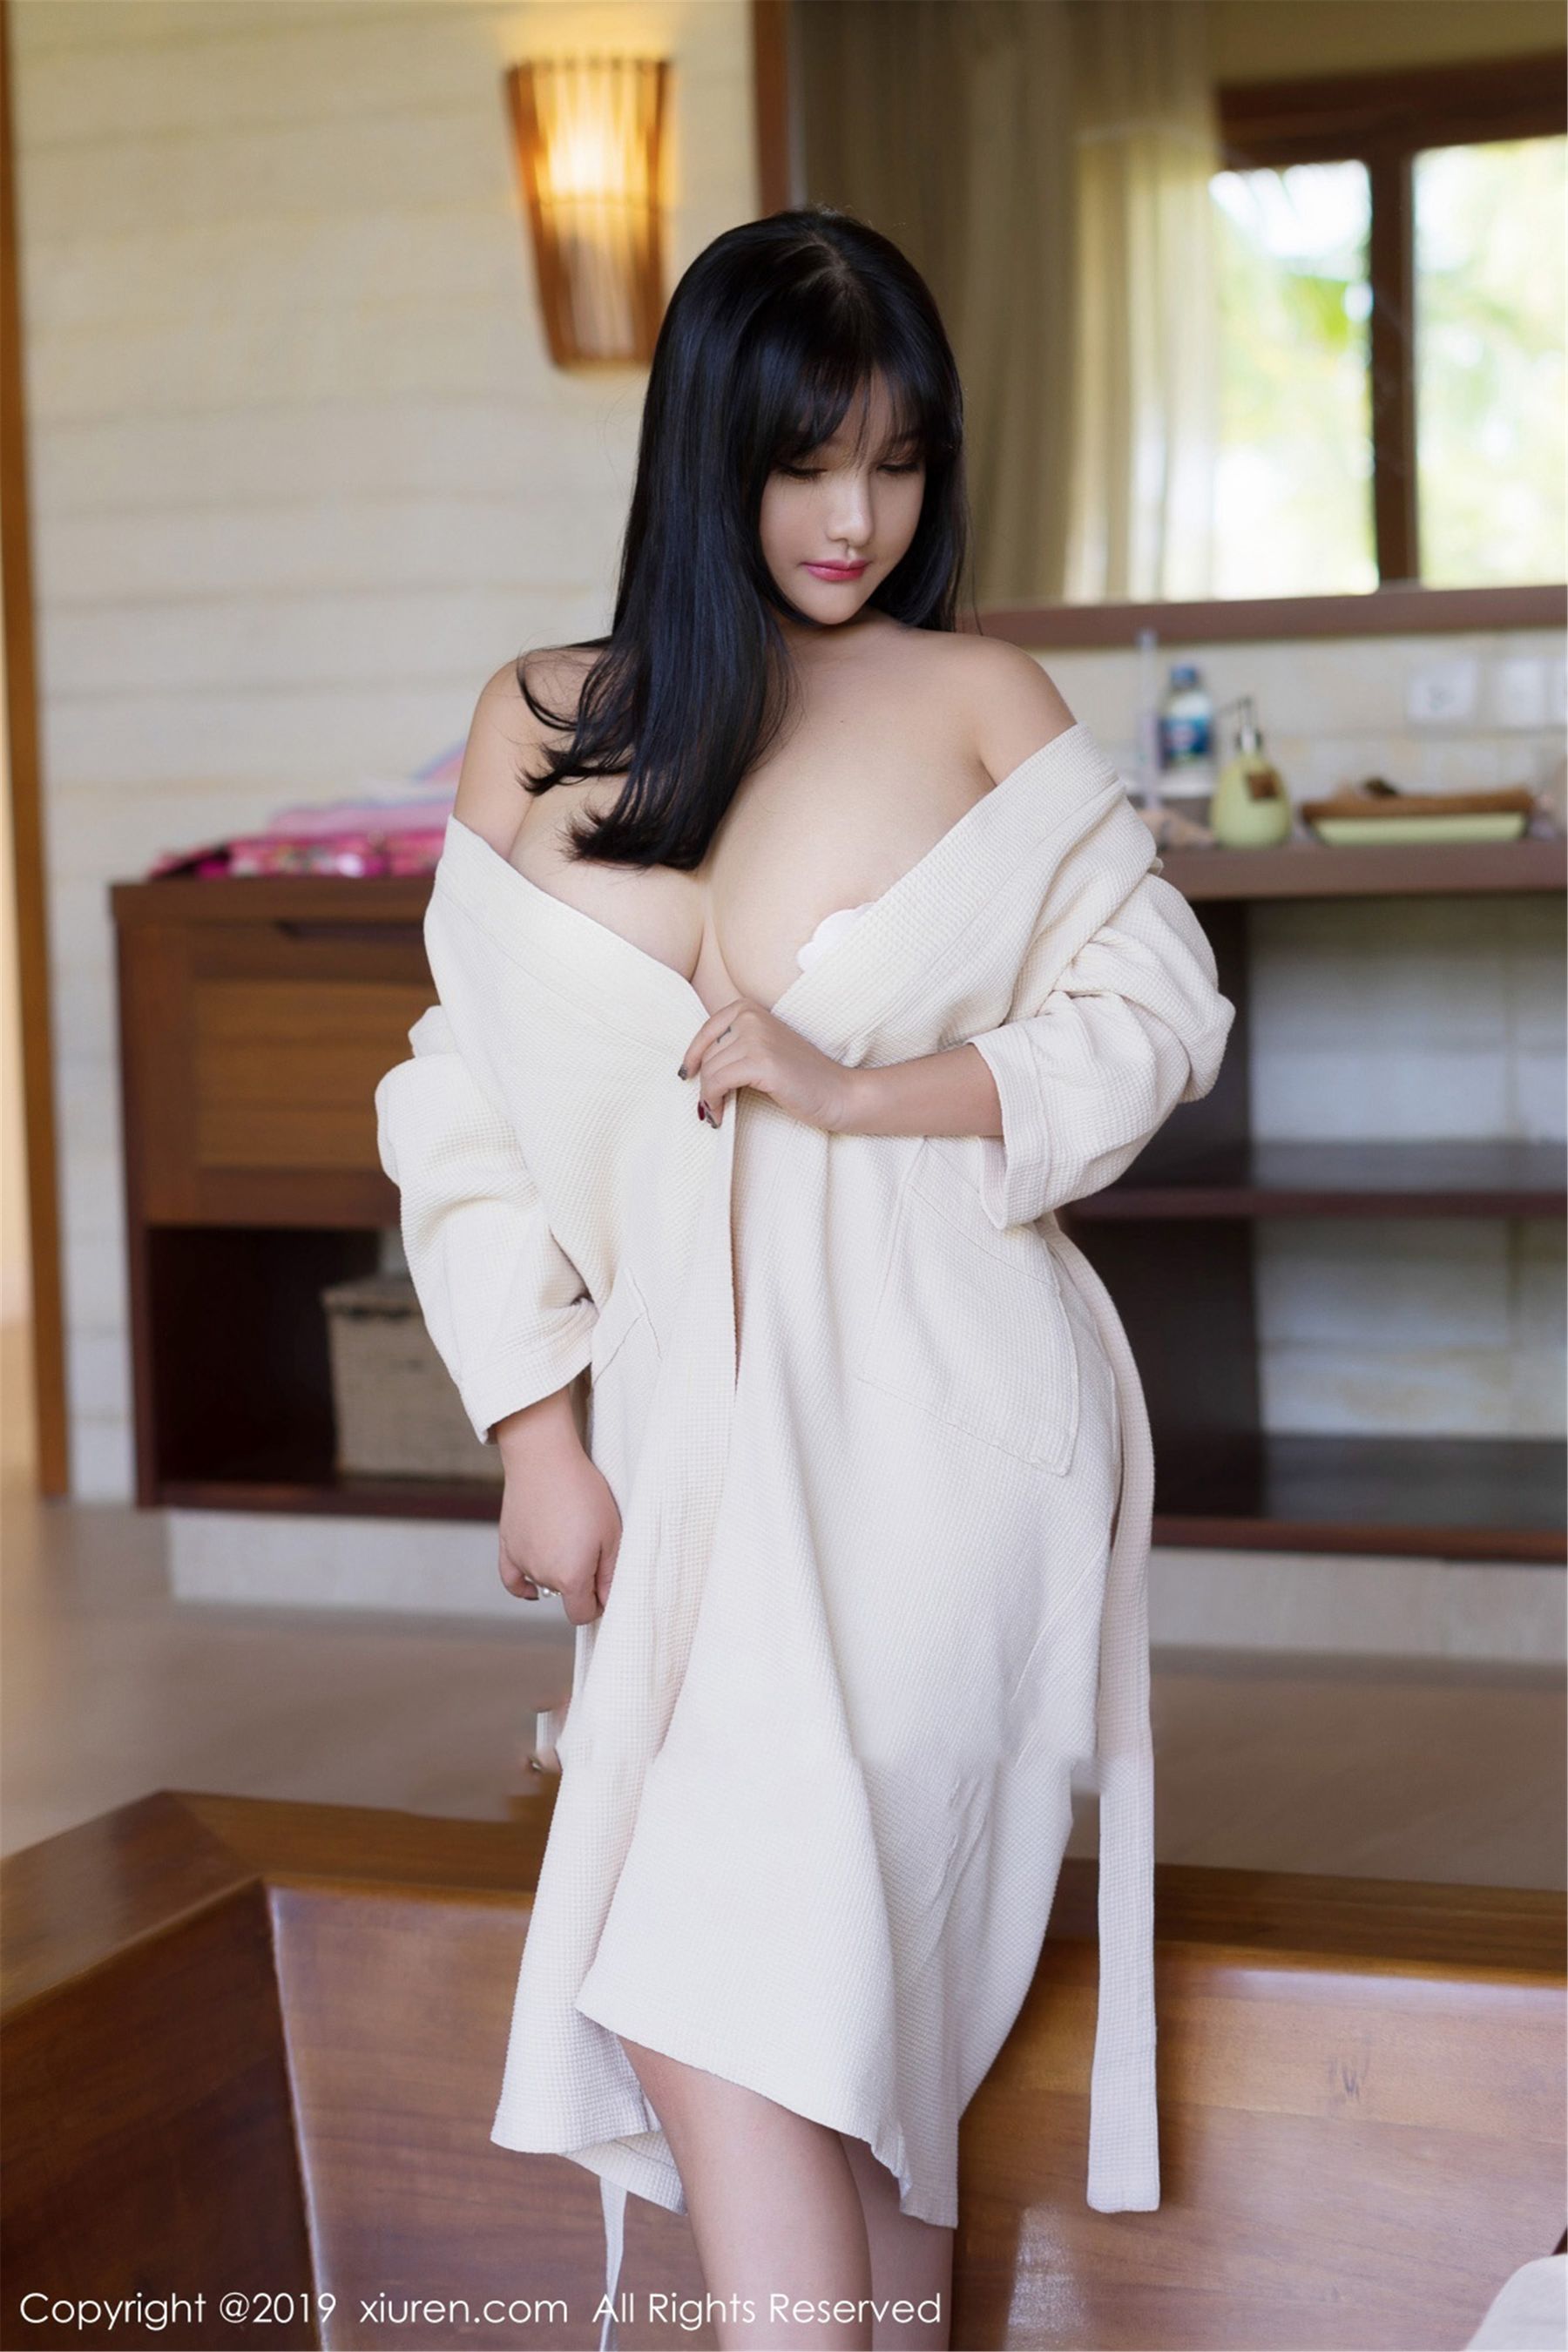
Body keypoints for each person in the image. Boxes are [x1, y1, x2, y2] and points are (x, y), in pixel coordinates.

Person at [375, 205, 1235, 2352]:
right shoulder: (540, 721)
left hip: (943, 1426)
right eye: (806, 460)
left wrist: (863, 1090)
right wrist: (534, 1427)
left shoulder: (976, 700)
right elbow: (463, 1096)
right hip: (684, 1441)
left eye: (900, 462)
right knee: (822, 2032)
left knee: (742, 1984)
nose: (859, 518)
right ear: (707, 451)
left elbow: (1158, 1017)